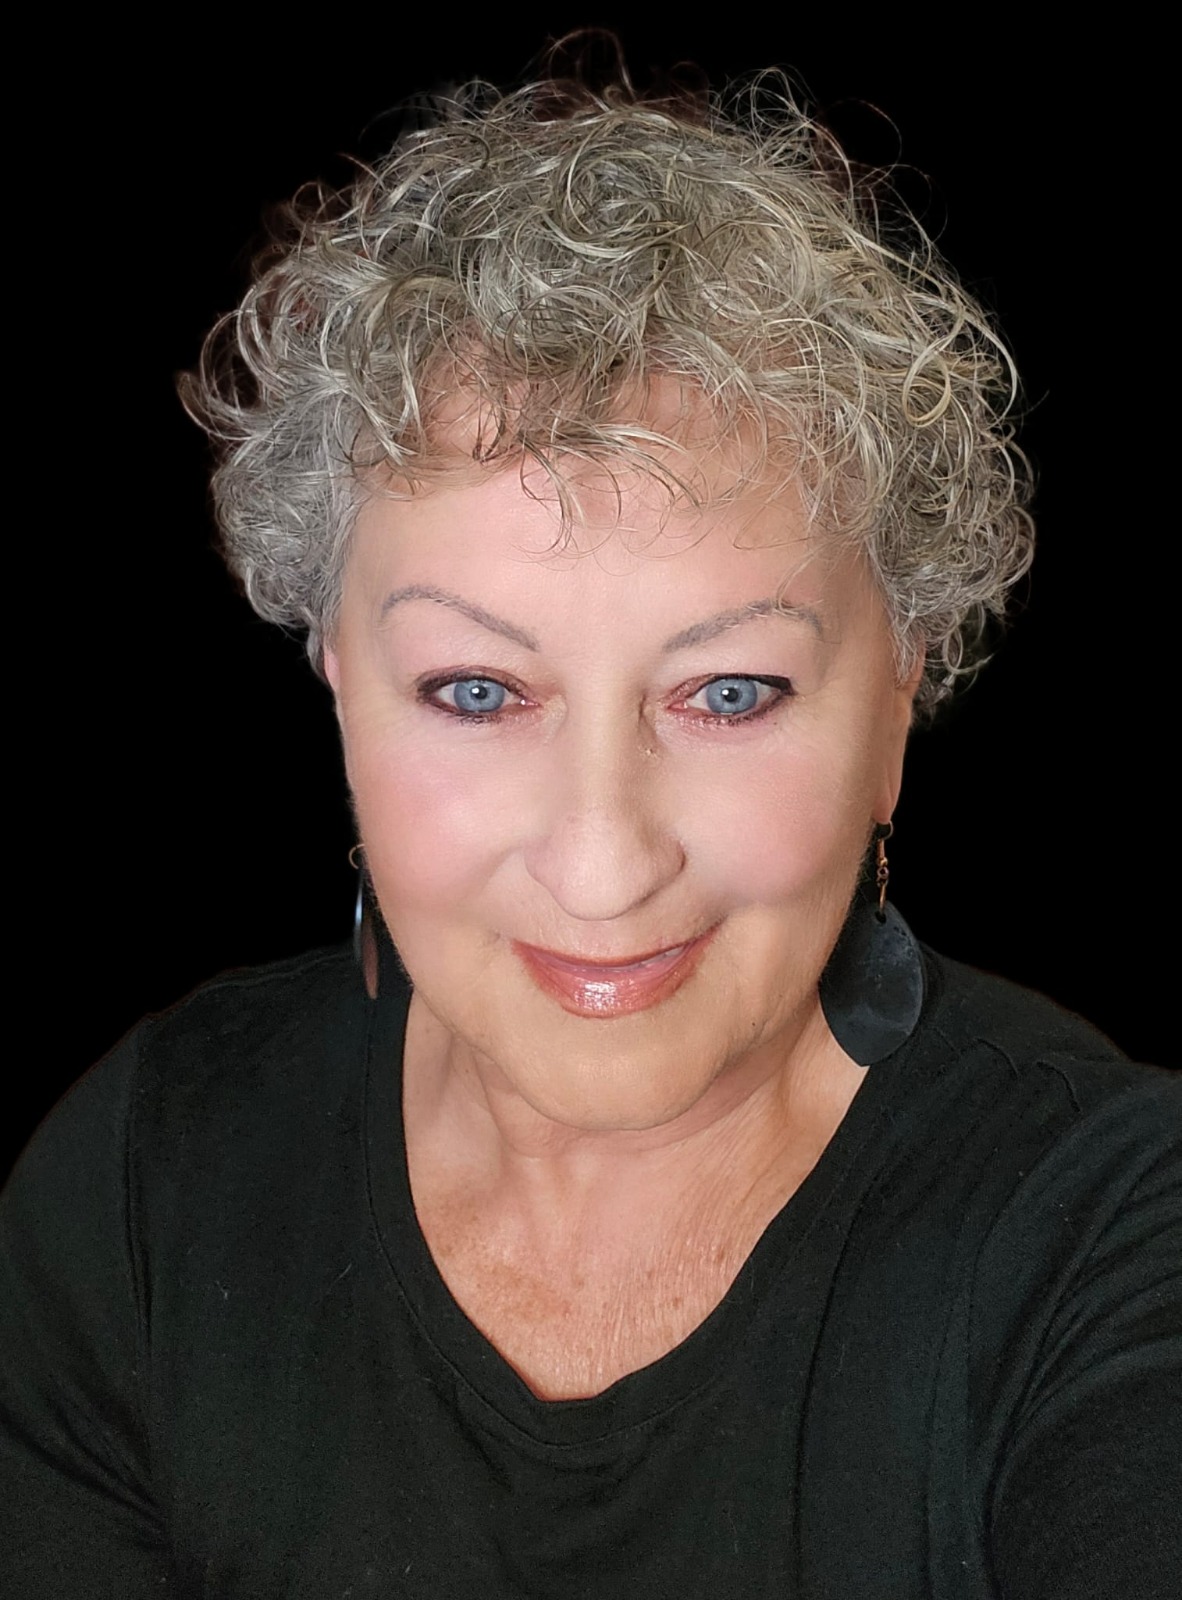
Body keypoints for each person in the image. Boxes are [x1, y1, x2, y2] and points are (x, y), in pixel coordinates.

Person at [2, 62, 1179, 1598]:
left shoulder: (1116, 1244)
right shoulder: (146, 1191)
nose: (604, 865)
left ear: (900, 689)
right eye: (477, 691)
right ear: (339, 681)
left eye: (730, 693)